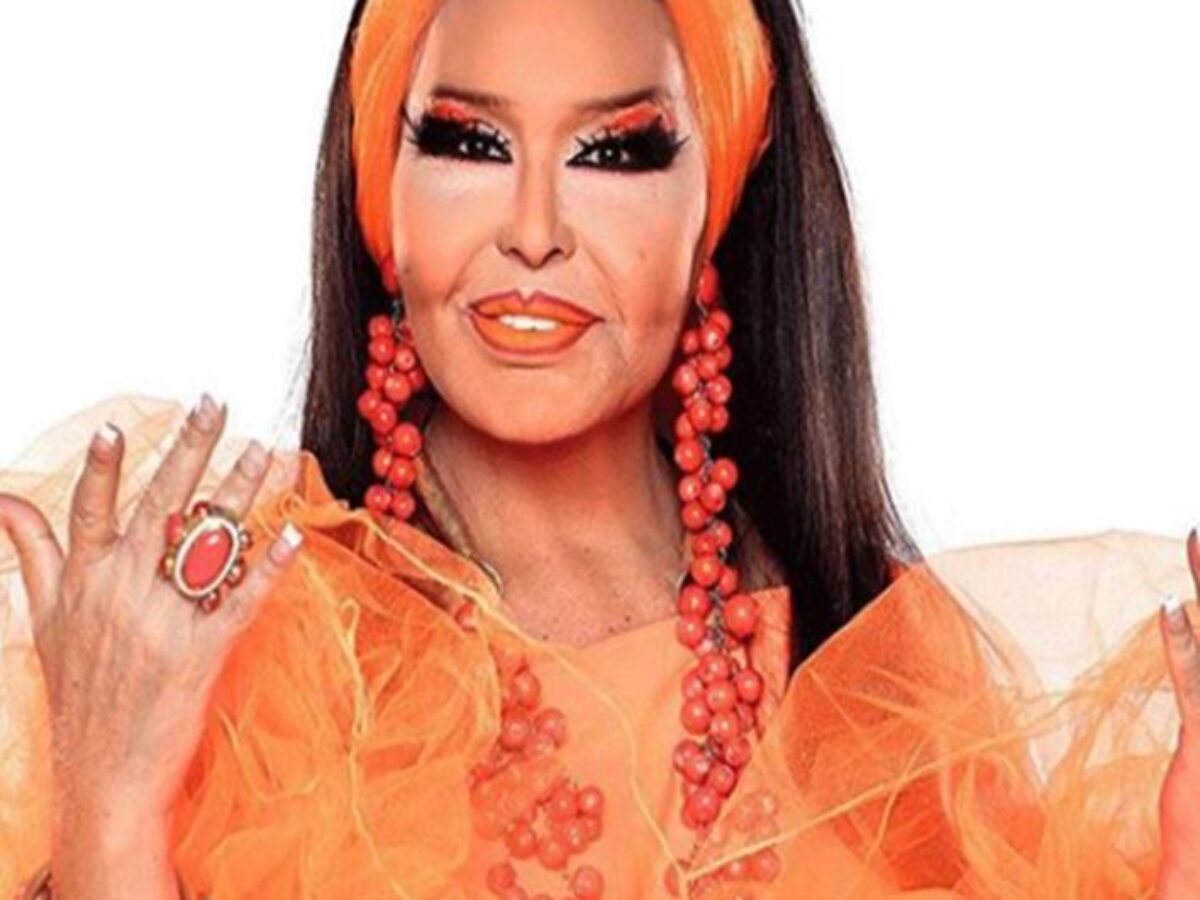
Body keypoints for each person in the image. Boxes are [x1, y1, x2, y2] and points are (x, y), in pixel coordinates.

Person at [1, 0, 1198, 896]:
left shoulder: (879, 659)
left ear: (720, 192)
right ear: (381, 192)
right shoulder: (224, 641)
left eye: (617, 151)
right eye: (468, 142)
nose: (533, 231)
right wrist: (111, 813)